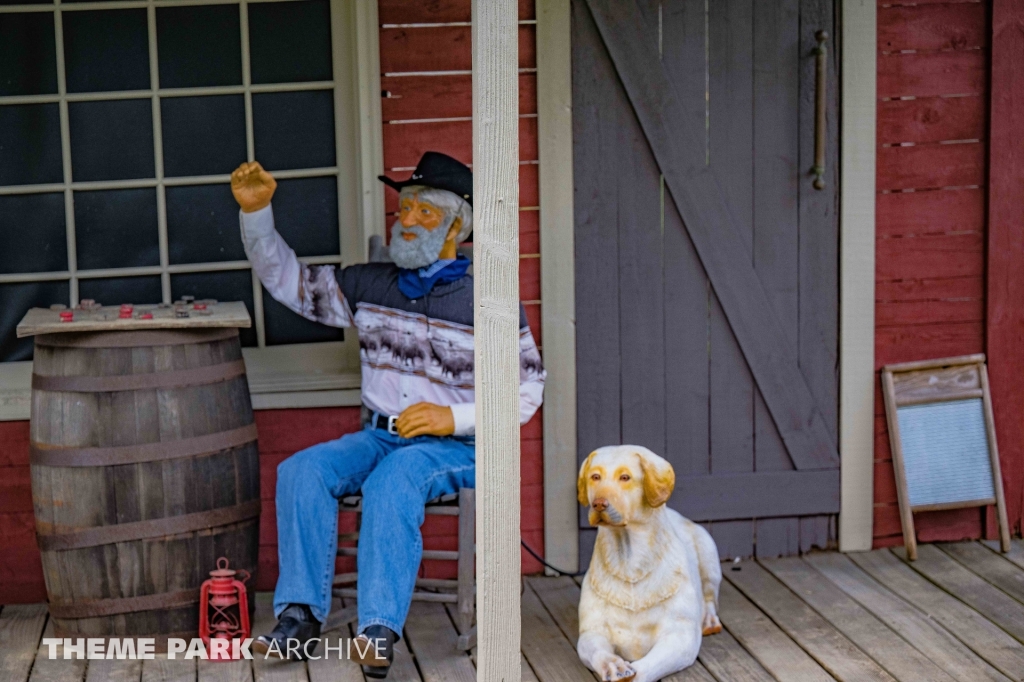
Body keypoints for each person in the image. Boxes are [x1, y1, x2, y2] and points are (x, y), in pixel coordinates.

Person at [230, 151, 545, 677]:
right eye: (406, 208)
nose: (406, 218)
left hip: (456, 447)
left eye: (424, 211)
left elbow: (529, 388)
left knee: (393, 481)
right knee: (300, 471)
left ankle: (377, 631)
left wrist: (455, 419)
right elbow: (290, 283)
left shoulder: (488, 298)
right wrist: (257, 214)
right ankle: (300, 617)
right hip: (378, 436)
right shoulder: (369, 285)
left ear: (455, 226)